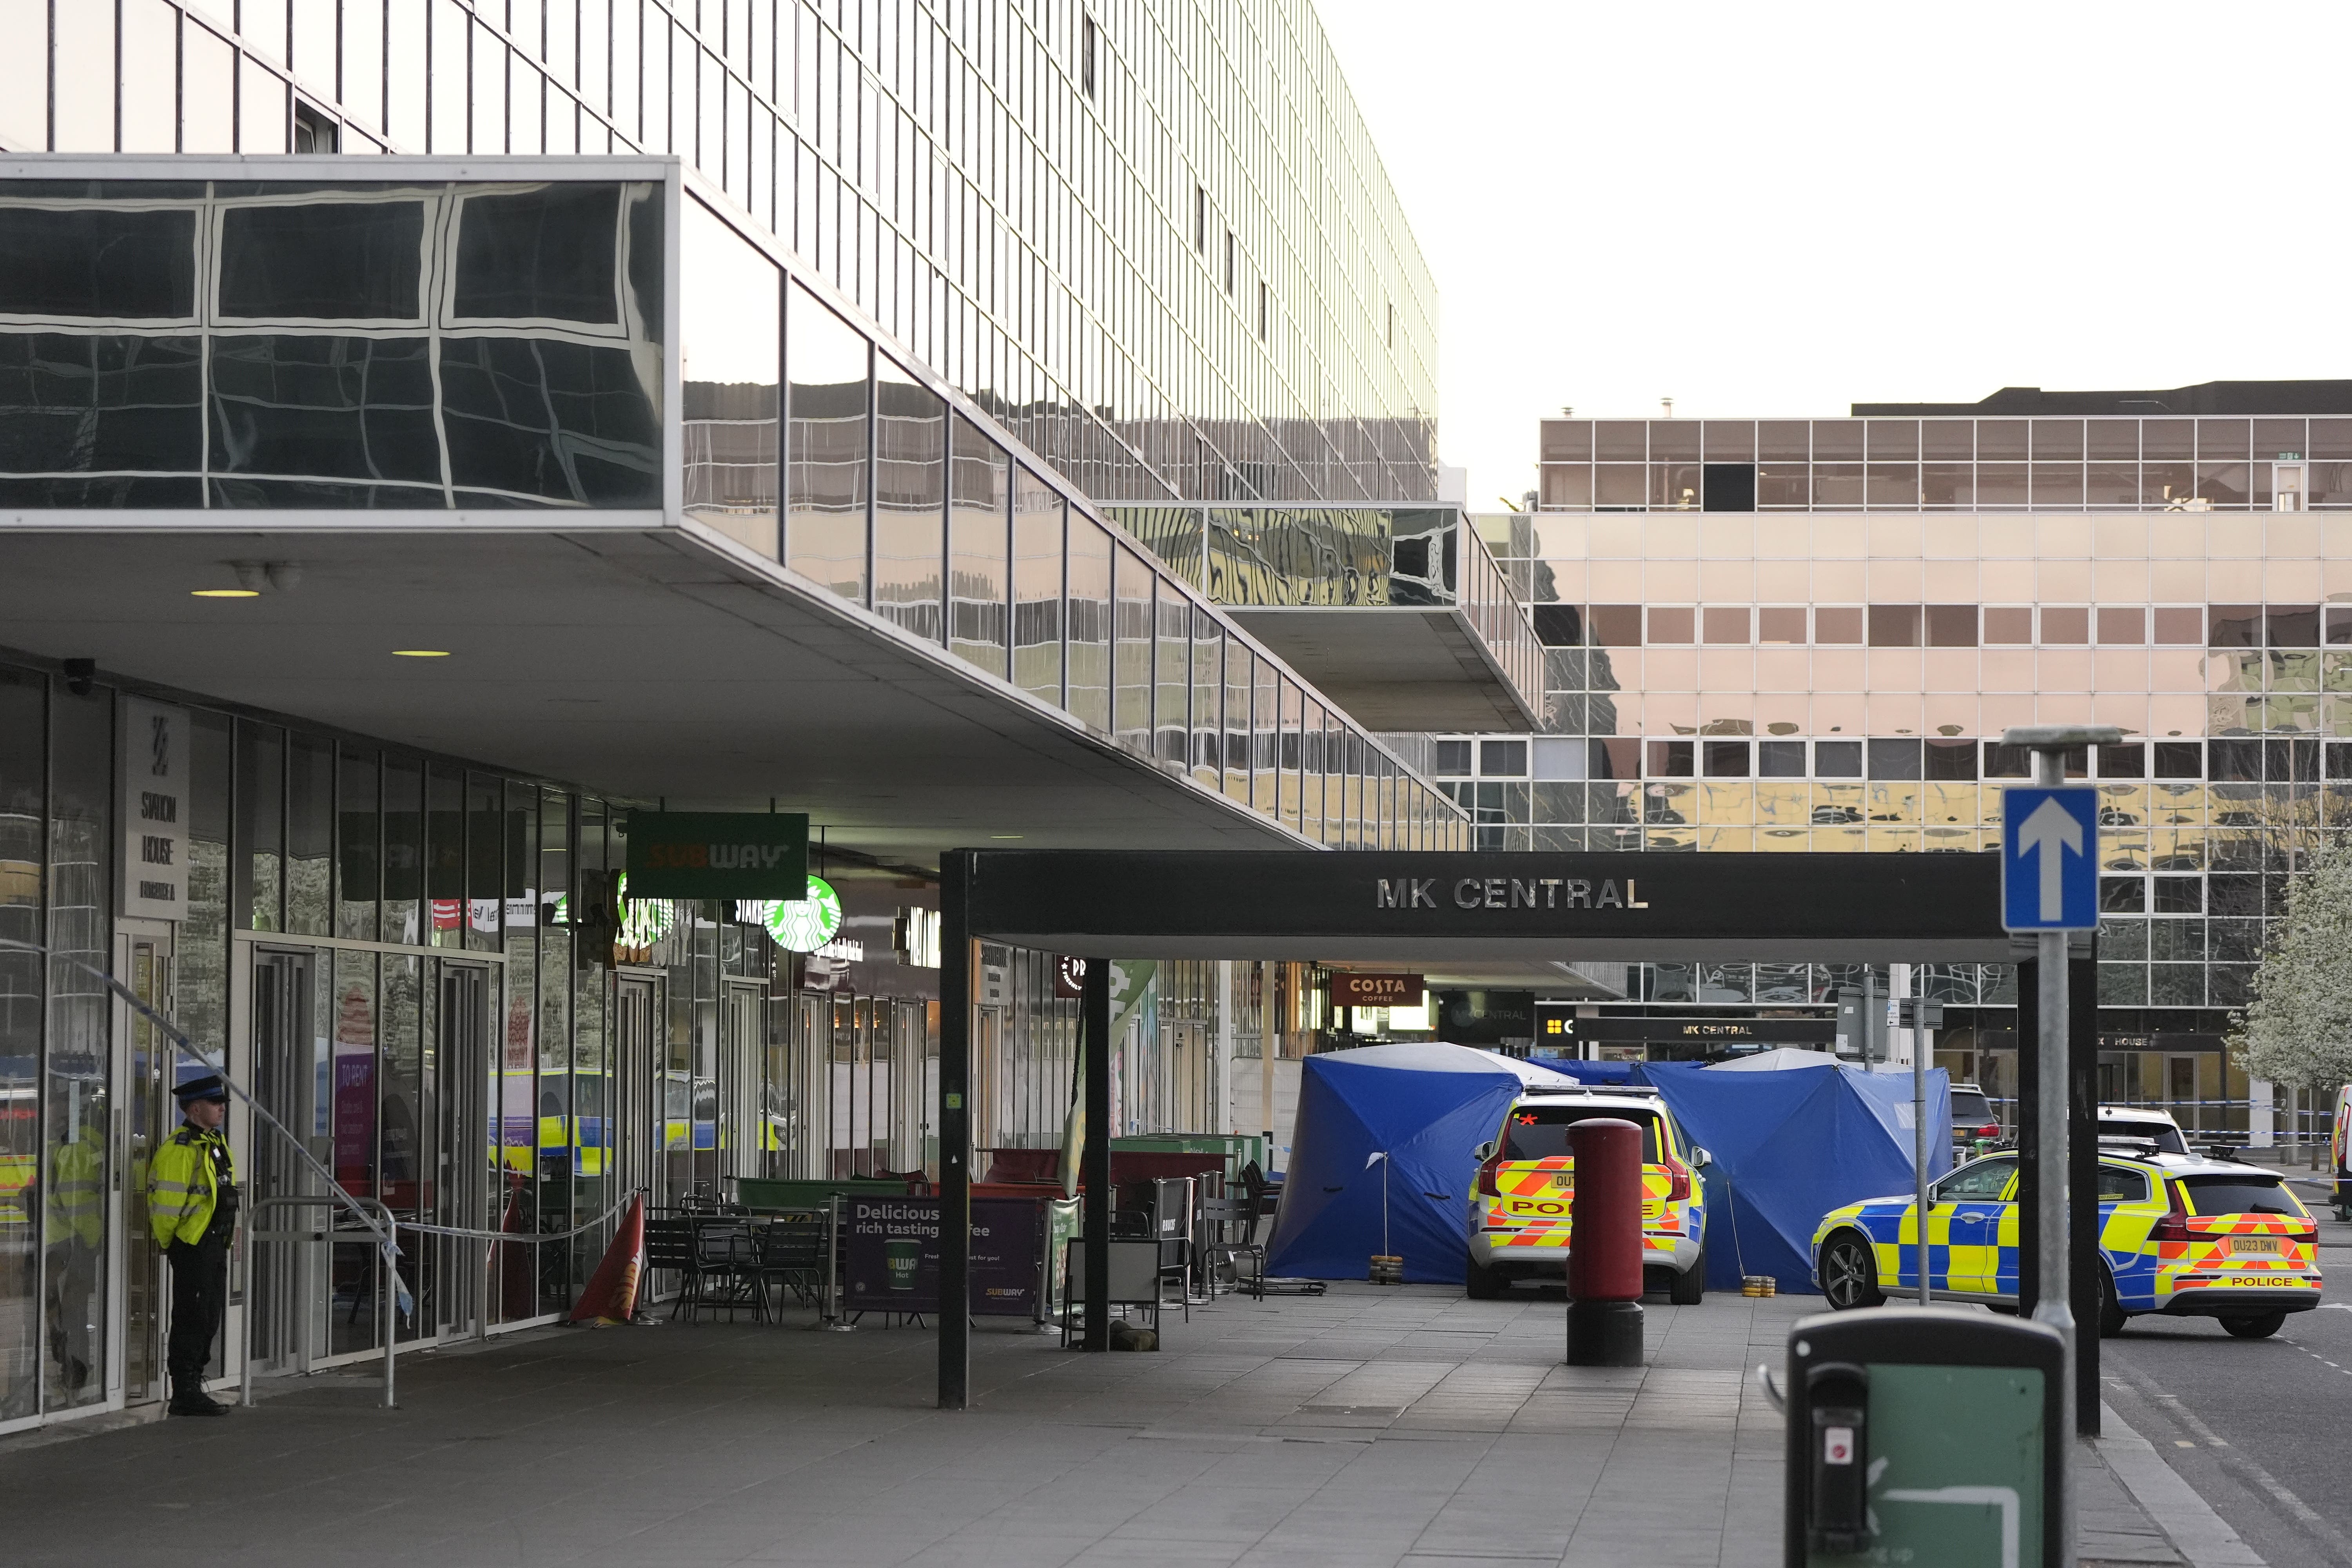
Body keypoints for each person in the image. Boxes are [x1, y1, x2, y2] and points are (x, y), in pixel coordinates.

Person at [147, 1074, 237, 1416]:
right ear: (195, 1109)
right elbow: (166, 1205)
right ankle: (184, 1392)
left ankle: (194, 1383)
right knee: (192, 1317)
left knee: (209, 1317)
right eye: (215, 1104)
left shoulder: (213, 1142)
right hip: (193, 1243)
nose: (222, 1109)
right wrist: (173, 1243)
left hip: (213, 1241)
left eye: (222, 1103)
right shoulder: (180, 1148)